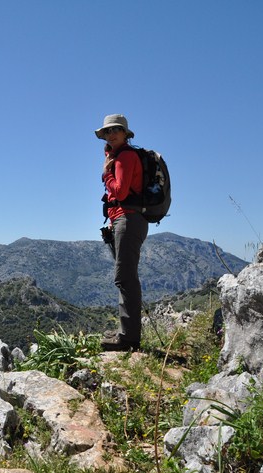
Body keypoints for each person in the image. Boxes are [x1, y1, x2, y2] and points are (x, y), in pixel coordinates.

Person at [95, 114, 147, 351]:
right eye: (108, 131)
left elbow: (121, 192)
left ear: (126, 133)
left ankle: (128, 339)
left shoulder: (125, 157)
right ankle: (126, 333)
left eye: (116, 130)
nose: (111, 134)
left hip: (128, 220)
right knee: (125, 278)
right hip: (122, 220)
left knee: (124, 278)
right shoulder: (117, 156)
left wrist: (106, 173)